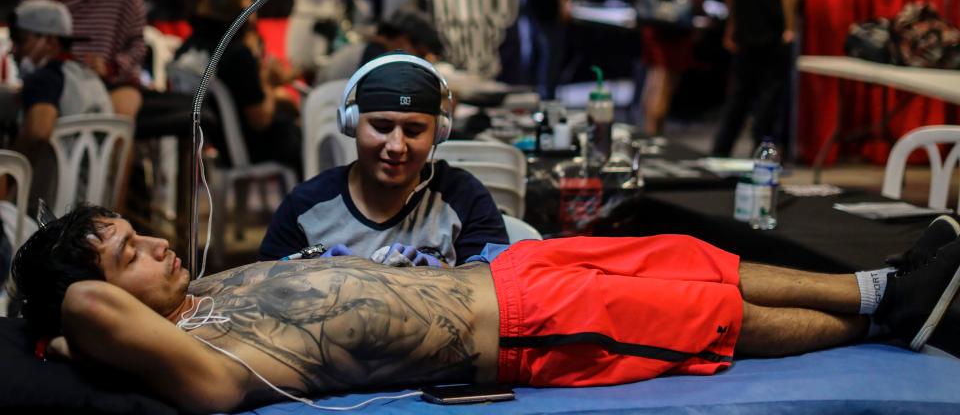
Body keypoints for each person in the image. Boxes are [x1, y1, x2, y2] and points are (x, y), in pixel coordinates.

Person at [13, 207, 960, 414]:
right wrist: (63, 314)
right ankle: (882, 325)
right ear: (91, 311)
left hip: (514, 273)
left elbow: (105, 296)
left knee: (685, 256)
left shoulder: (212, 289)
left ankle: (877, 288)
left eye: (142, 231)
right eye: (127, 254)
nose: (156, 245)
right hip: (513, 332)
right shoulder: (203, 358)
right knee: (700, 314)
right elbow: (92, 309)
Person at [260, 54, 507, 265]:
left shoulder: (464, 199)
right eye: (381, 127)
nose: (396, 146)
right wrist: (308, 273)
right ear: (352, 124)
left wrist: (442, 275)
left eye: (413, 131)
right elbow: (264, 292)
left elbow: (500, 292)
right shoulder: (306, 207)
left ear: (439, 132)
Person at [168, 0, 301, 175]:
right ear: (243, 6)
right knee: (304, 132)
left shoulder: (191, 45)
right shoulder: (236, 53)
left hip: (214, 143)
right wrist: (266, 80)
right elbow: (260, 119)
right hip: (245, 147)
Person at [712, 0, 802, 157]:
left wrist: (733, 23)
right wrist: (788, 27)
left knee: (739, 95)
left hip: (746, 29)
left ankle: (720, 152)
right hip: (774, 32)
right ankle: (760, 153)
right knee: (770, 96)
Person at [8, 0, 114, 205]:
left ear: (50, 42)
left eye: (20, 40)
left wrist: (8, 173)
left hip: (49, 211)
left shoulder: (44, 79)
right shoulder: (91, 79)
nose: (15, 50)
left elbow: (38, 131)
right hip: (94, 207)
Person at [640, 0, 697, 136]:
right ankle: (655, 137)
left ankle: (649, 135)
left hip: (657, 28)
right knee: (663, 85)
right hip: (669, 29)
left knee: (654, 81)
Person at [314, 7, 443, 84]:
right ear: (404, 41)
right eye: (421, 54)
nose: (420, 61)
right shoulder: (376, 58)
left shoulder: (366, 50)